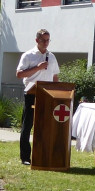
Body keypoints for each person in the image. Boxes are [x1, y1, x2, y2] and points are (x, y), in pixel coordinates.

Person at [16, 29, 60, 165]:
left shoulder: (51, 56)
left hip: (48, 94)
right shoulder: (28, 55)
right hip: (32, 94)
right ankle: (25, 157)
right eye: (43, 40)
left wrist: (57, 92)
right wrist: (38, 68)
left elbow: (55, 76)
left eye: (48, 40)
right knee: (27, 125)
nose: (46, 43)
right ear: (37, 40)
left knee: (46, 126)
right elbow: (19, 74)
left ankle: (44, 154)